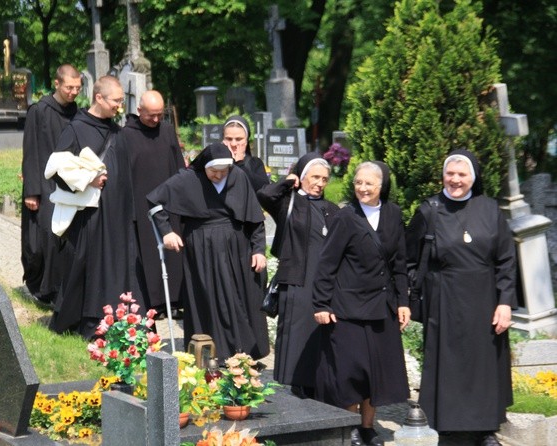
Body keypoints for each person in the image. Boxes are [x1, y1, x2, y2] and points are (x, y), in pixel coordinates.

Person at [405, 149, 516, 446]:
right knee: (449, 364)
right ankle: (449, 428)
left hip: (485, 300)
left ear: (473, 177)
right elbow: (408, 258)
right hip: (444, 298)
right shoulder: (429, 210)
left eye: (462, 174)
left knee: (483, 365)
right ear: (443, 176)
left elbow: (506, 259)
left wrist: (505, 301)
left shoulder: (490, 209)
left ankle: (485, 429)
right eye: (450, 174)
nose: (455, 180)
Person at [312, 161, 411, 446]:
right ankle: (351, 426)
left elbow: (400, 264)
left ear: (382, 186)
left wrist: (403, 301)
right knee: (351, 373)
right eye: (358, 182)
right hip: (348, 307)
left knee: (375, 374)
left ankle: (368, 427)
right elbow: (326, 263)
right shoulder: (345, 217)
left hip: (382, 306)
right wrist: (321, 304)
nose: (363, 188)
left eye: (369, 183)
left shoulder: (393, 215)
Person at [147, 143, 270, 361]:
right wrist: (167, 232)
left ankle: (241, 351)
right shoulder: (189, 178)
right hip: (201, 246)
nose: (219, 175)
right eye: (214, 171)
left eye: (224, 171)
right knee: (207, 297)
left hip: (236, 246)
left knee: (237, 296)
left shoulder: (238, 177)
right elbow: (155, 201)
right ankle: (209, 351)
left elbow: (255, 219)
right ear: (204, 167)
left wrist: (259, 250)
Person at [48, 75, 142, 339]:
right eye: (116, 101)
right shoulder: (76, 129)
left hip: (118, 213)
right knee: (89, 266)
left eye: (122, 102)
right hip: (90, 216)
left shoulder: (117, 131)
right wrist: (88, 180)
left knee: (115, 265)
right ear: (99, 98)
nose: (119, 107)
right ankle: (86, 320)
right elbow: (56, 169)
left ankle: (114, 317)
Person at [257, 152, 339, 398]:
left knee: (317, 335)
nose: (319, 183)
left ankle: (315, 384)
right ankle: (293, 386)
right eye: (314, 177)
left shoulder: (332, 209)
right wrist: (287, 181)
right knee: (295, 333)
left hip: (322, 283)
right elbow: (264, 195)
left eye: (324, 179)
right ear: (302, 177)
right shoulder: (288, 202)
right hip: (296, 280)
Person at [118, 90, 185, 314]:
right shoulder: (126, 135)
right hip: (141, 202)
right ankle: (152, 303)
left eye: (159, 115)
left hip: (169, 204)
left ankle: (174, 301)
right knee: (148, 257)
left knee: (173, 256)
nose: (156, 120)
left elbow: (178, 166)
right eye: (150, 116)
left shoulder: (166, 131)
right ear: (139, 111)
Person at [20, 64, 82, 306]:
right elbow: (31, 150)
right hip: (43, 184)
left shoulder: (77, 113)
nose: (73, 92)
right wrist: (31, 192)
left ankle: (59, 288)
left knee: (64, 236)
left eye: (77, 88)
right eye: (69, 87)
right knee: (43, 238)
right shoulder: (40, 111)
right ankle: (40, 287)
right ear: (57, 84)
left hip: (68, 182)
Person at [223, 115, 269, 192]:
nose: (233, 144)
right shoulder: (214, 162)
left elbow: (263, 189)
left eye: (239, 139)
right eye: (229, 139)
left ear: (246, 141)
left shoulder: (254, 163)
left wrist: (239, 163)